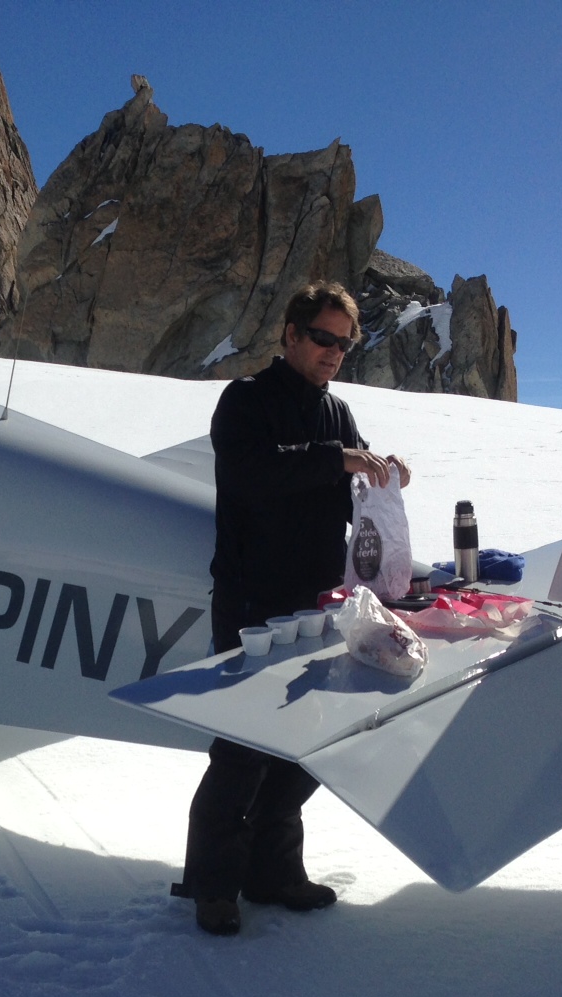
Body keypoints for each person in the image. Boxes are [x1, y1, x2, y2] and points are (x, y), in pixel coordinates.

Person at [179, 282, 411, 936]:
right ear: (290, 334)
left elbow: (351, 486)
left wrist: (383, 476)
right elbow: (252, 474)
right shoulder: (246, 400)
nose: (334, 352)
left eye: (345, 343)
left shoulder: (337, 413)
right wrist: (339, 460)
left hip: (318, 602)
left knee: (303, 743)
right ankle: (214, 886)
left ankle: (274, 873)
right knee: (243, 744)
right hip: (254, 600)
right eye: (323, 338)